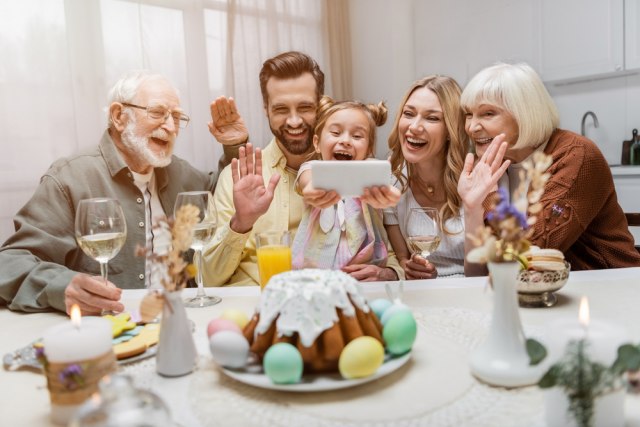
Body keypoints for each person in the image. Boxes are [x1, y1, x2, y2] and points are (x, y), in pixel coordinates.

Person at [0, 70, 240, 315]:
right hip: (110, 327)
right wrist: (61, 286)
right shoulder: (70, 178)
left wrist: (234, 146)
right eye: (158, 113)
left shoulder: (182, 174)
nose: (170, 127)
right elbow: (9, 263)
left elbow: (226, 194)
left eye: (177, 117)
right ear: (118, 116)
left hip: (181, 319)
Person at [203, 51, 401, 286]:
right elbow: (207, 278)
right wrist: (241, 223)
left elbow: (386, 255)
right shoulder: (238, 179)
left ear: (321, 105)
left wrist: (388, 273)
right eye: (281, 109)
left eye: (305, 107)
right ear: (266, 109)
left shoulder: (354, 176)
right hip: (255, 305)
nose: (294, 121)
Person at [457, 62, 640, 271]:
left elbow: (532, 253)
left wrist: (490, 200)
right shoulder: (492, 167)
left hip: (611, 287)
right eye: (468, 114)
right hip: (540, 293)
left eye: (488, 113)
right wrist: (472, 208)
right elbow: (478, 274)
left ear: (524, 113)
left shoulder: (576, 155)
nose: (471, 127)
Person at [290, 95, 402, 279]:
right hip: (313, 276)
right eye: (335, 133)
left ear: (369, 148)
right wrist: (312, 190)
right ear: (317, 143)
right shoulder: (312, 170)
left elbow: (386, 185)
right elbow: (306, 181)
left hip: (362, 275)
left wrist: (389, 195)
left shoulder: (369, 173)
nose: (345, 140)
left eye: (357, 136)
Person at [383, 75, 469, 280]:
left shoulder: (475, 178)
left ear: (451, 129)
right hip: (420, 292)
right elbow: (402, 258)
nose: (414, 127)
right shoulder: (391, 179)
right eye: (409, 114)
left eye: (432, 118)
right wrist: (411, 269)